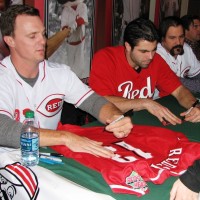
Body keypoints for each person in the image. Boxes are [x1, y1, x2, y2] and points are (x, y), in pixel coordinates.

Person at [0, 5, 133, 158]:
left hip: (49, 157)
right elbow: (3, 130)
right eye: (32, 36)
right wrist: (65, 137)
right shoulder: (3, 78)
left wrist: (116, 117)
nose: (43, 41)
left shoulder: (60, 73)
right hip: (7, 162)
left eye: (43, 34)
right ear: (10, 41)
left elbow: (94, 102)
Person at [89, 18, 200, 125]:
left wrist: (195, 106)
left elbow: (179, 90)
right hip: (107, 124)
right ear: (128, 46)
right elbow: (100, 101)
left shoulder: (156, 60)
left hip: (140, 122)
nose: (150, 57)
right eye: (144, 51)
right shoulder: (105, 58)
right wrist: (145, 102)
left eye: (153, 50)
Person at [156, 16, 200, 94]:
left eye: (181, 37)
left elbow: (198, 75)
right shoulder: (155, 54)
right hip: (159, 100)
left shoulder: (186, 48)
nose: (178, 42)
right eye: (172, 38)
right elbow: (175, 84)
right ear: (162, 38)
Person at [57, 0, 89, 79]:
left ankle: (79, 80)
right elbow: (64, 26)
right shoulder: (65, 10)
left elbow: (82, 20)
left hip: (81, 40)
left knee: (80, 62)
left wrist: (73, 25)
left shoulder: (82, 6)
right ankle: (71, 80)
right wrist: (67, 29)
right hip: (70, 43)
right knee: (70, 63)